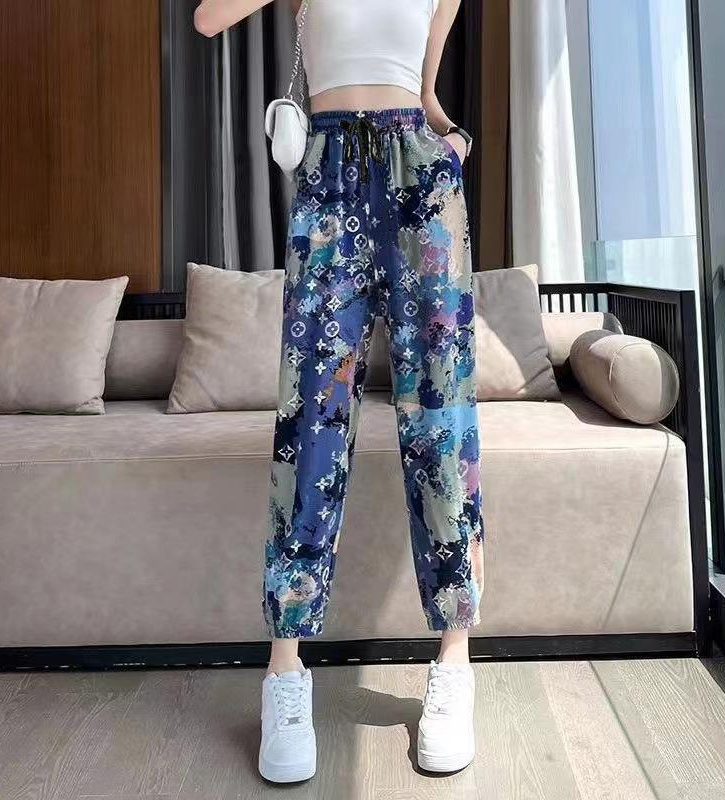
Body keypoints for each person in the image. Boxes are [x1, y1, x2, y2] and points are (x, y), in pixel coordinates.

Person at [195, 0, 484, 782]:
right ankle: (285, 673)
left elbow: (424, 95)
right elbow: (208, 18)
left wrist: (453, 141)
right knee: (310, 426)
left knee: (440, 421)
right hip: (329, 178)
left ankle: (454, 660)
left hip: (421, 183)